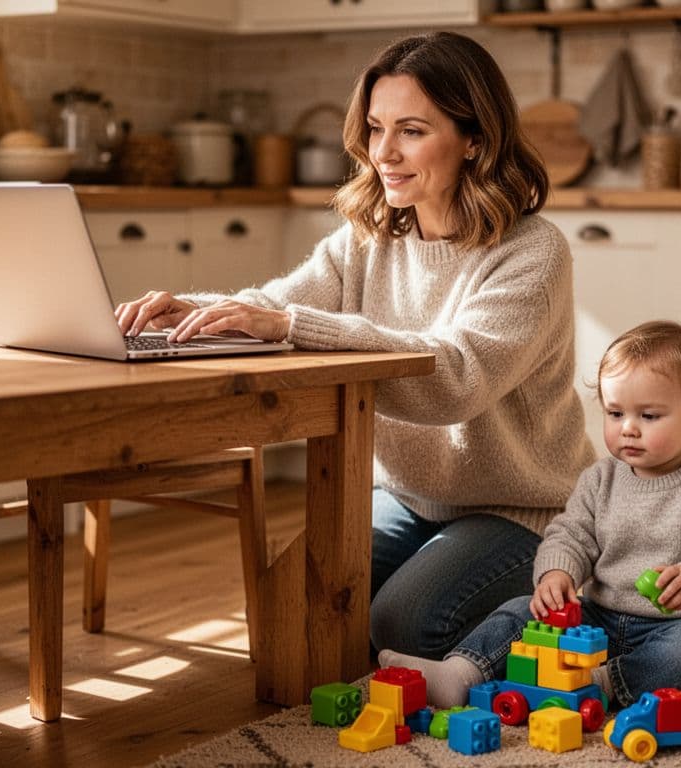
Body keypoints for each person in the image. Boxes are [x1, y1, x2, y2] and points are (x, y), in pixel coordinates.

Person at [114, 31, 595, 660]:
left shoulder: (532, 252)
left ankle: (575, 600)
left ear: (475, 138)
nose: (384, 154)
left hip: (523, 508)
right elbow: (282, 300)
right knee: (296, 604)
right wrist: (192, 309)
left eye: (412, 131)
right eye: (375, 128)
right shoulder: (369, 237)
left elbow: (455, 379)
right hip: (407, 496)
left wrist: (289, 325)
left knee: (404, 625)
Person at [379, 320, 681, 710]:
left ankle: (604, 682)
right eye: (615, 413)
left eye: (648, 416)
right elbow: (570, 534)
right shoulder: (600, 478)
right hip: (603, 620)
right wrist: (558, 573)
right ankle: (461, 673)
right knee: (520, 609)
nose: (628, 429)